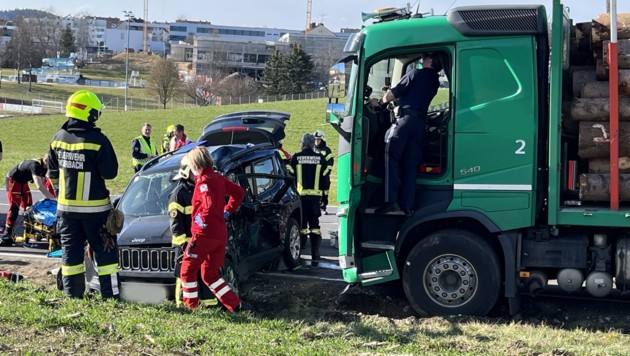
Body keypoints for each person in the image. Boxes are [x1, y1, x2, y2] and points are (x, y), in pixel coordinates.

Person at [48, 89, 119, 299]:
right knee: (106, 255)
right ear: (88, 114)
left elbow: (52, 175)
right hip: (96, 212)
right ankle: (111, 296)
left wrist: (62, 193)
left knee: (71, 256)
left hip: (67, 213)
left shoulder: (57, 139)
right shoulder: (98, 140)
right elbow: (111, 172)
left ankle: (73, 296)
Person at [373, 53, 441, 215]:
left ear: (430, 61)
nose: (423, 59)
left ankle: (390, 202)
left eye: (425, 57)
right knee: (410, 165)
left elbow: (394, 93)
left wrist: (380, 102)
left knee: (390, 156)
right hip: (420, 124)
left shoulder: (414, 74)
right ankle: (407, 205)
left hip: (404, 121)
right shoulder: (435, 81)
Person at [179, 146, 245, 311]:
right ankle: (235, 305)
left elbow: (207, 206)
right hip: (219, 234)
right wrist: (227, 211)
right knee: (210, 274)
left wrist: (201, 222)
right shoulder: (218, 177)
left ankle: (191, 307)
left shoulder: (204, 181)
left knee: (187, 270)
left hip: (204, 235)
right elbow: (239, 193)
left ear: (194, 164)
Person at [168, 156, 217, 308]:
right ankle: (184, 306)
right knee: (185, 276)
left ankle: (209, 305)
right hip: (185, 244)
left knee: (204, 272)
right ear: (186, 172)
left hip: (200, 241)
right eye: (195, 171)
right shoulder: (178, 194)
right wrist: (184, 244)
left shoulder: (200, 189)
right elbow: (176, 224)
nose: (198, 174)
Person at [287, 133, 328, 264]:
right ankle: (315, 254)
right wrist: (325, 197)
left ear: (303, 144)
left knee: (302, 226)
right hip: (315, 197)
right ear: (313, 144)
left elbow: (290, 176)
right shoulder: (320, 158)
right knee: (315, 226)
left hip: (301, 197)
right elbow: (325, 180)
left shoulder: (296, 157)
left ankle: (300, 253)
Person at [1, 155, 57, 246]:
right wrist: (53, 198)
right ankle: (8, 233)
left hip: (23, 182)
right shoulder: (35, 166)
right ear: (47, 161)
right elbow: (39, 186)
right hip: (13, 180)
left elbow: (44, 182)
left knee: (28, 206)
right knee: (14, 207)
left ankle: (28, 230)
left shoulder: (44, 168)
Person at [313, 130, 334, 214]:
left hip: (323, 176)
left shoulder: (327, 150)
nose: (316, 141)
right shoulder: (311, 149)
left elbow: (330, 164)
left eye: (318, 139)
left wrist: (324, 174)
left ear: (322, 140)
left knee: (325, 192)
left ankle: (323, 206)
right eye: (315, 139)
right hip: (313, 176)